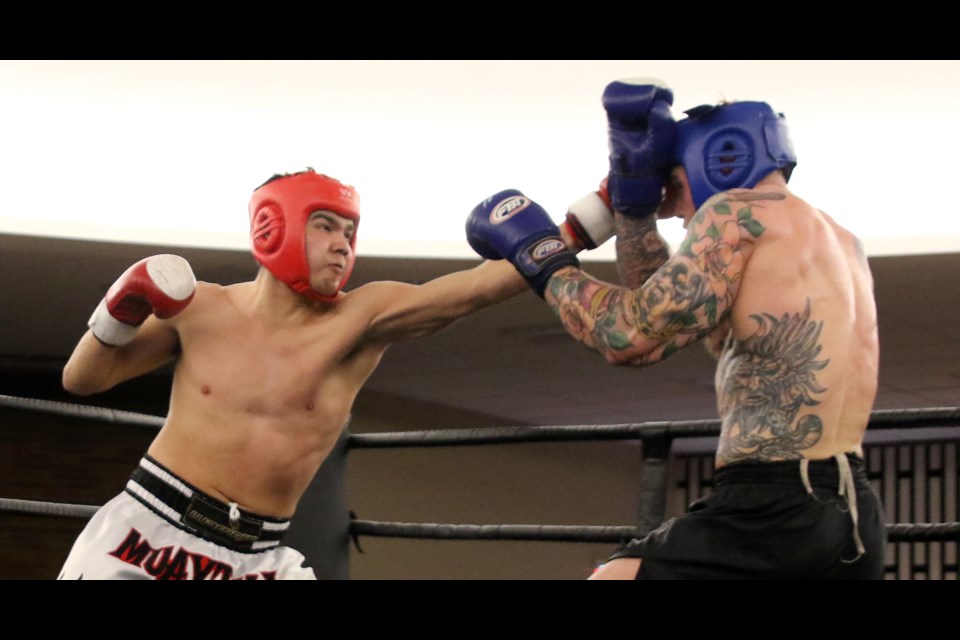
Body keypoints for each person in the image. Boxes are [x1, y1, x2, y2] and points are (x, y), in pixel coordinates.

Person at [57, 167, 604, 580]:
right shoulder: (200, 308)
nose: (343, 243)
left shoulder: (361, 320)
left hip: (259, 557)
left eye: (350, 230)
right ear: (272, 226)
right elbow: (83, 380)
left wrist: (594, 215)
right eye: (325, 225)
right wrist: (120, 308)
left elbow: (469, 290)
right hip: (150, 527)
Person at [465, 79, 887, 579]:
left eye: (677, 188)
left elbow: (629, 337)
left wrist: (544, 258)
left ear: (719, 159)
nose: (682, 214)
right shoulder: (842, 242)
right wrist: (635, 215)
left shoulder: (734, 214)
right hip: (852, 512)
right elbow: (674, 312)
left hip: (772, 506)